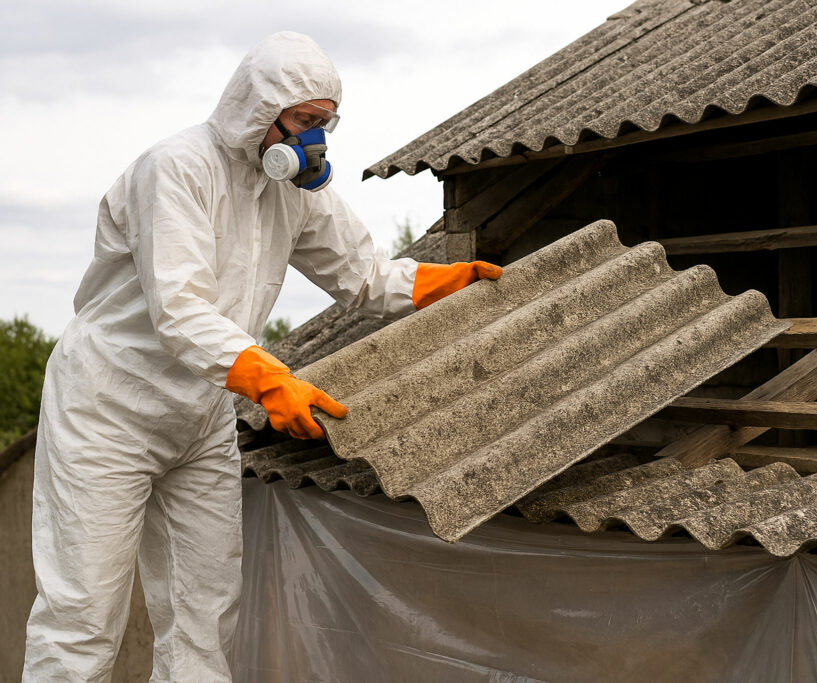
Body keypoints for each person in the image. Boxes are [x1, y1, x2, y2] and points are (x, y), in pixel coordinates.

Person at [23, 31, 501, 681]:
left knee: (205, 615)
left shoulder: (294, 191)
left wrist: (441, 283)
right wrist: (271, 378)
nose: (316, 142)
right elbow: (181, 311)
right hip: (108, 411)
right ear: (259, 110)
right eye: (306, 122)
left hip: (200, 418)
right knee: (82, 618)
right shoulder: (174, 170)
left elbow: (362, 273)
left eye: (325, 124)